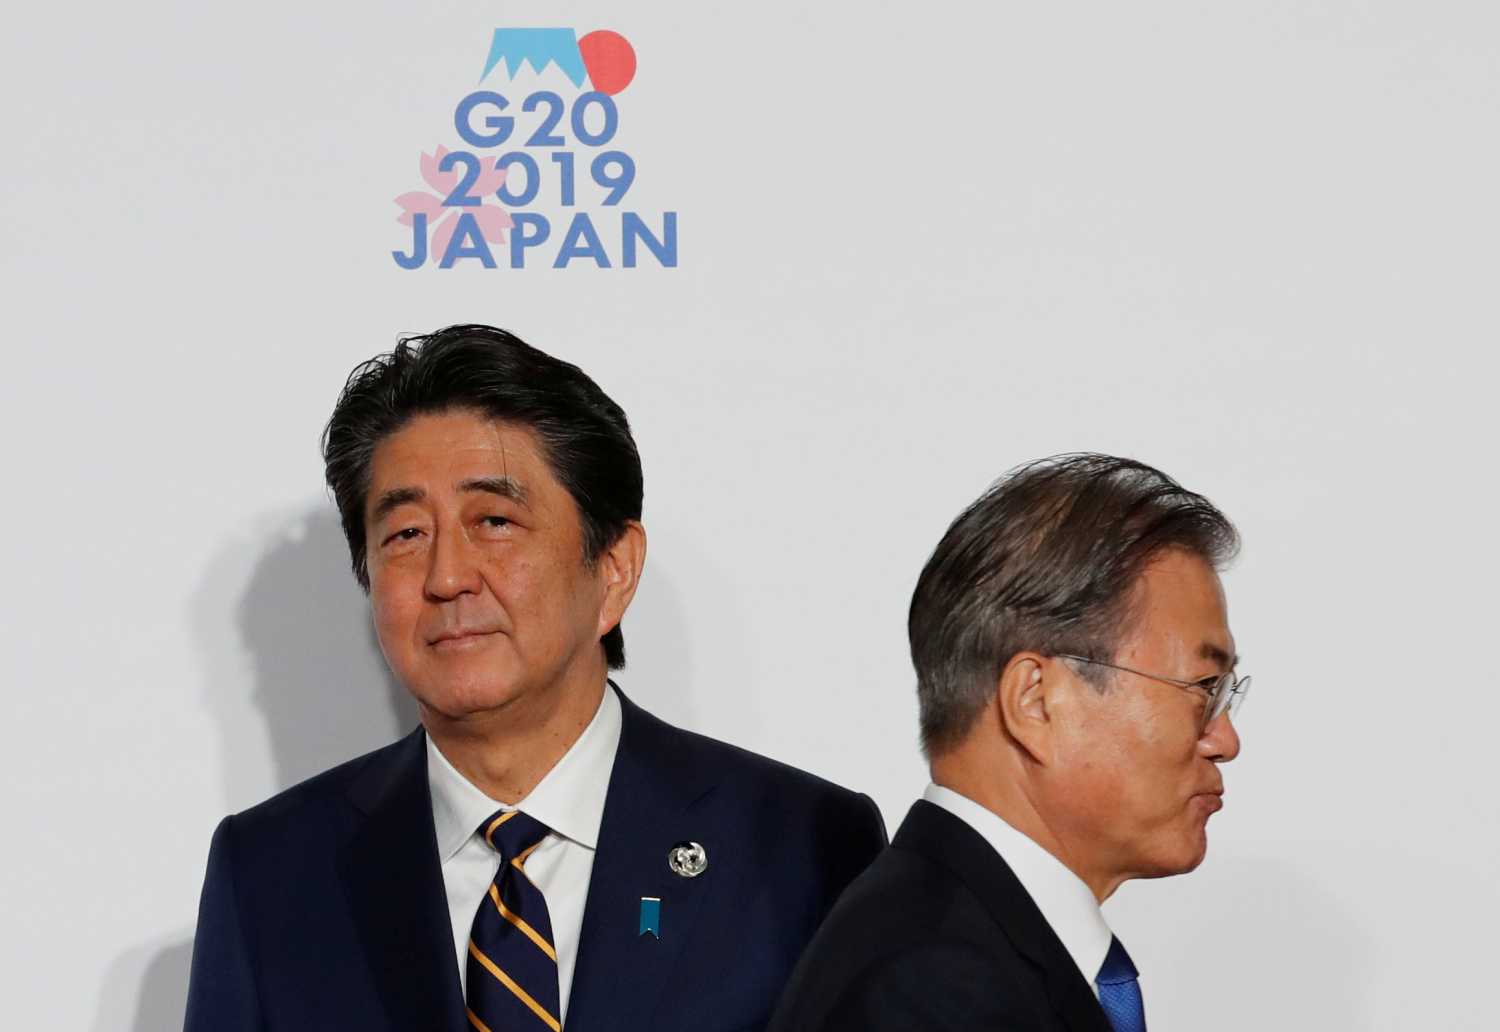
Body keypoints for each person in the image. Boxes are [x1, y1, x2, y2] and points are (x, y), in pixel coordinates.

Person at [183, 324, 886, 1032]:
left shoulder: (805, 846)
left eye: (493, 520)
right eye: (406, 534)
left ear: (613, 568)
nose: (447, 577)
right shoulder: (271, 874)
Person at [770, 454, 1249, 1031]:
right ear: (1036, 701)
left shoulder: (951, 944)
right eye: (1204, 688)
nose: (1225, 740)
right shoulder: (936, 992)